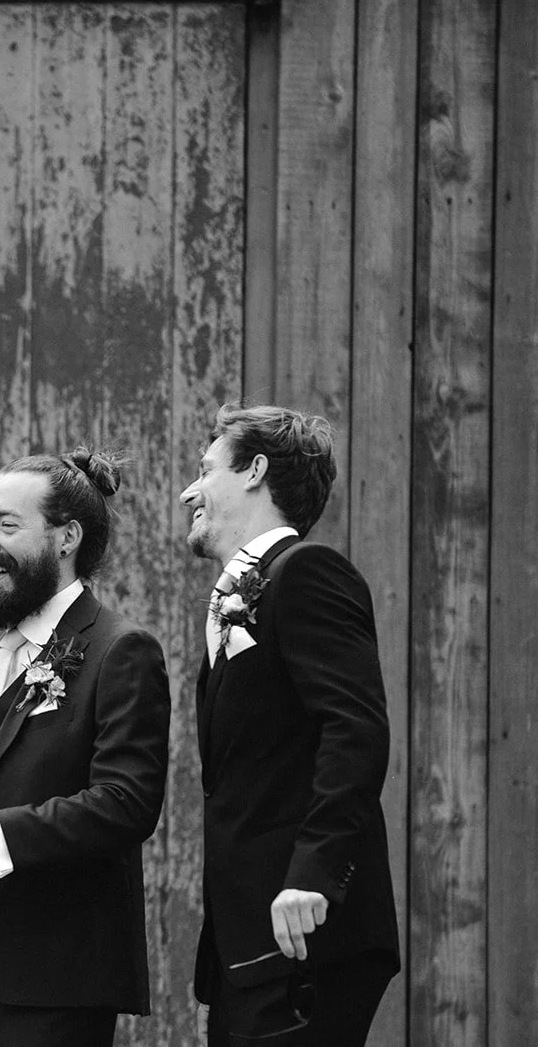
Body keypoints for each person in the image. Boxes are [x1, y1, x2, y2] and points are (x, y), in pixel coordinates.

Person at [0, 449, 171, 1046]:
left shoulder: (120, 650)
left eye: (7, 525)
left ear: (67, 537)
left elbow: (126, 803)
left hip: (50, 988)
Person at [181, 405, 398, 1045]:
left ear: (254, 471)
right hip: (250, 948)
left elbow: (355, 730)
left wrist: (313, 875)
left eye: (206, 469)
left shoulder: (306, 572)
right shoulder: (239, 598)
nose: (190, 491)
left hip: (305, 929)